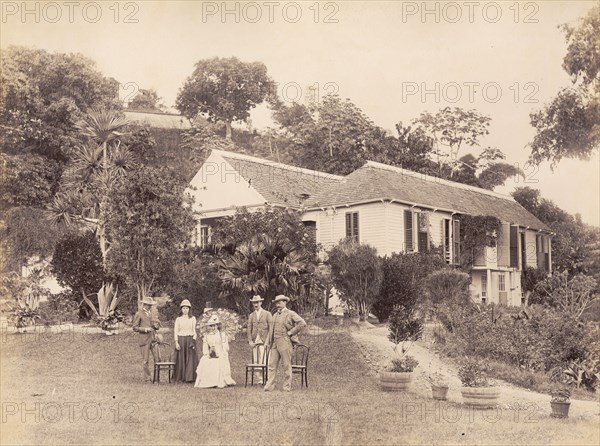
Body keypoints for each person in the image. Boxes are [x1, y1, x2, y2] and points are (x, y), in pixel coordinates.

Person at [264, 295, 306, 392]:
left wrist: (291, 332)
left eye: (279, 303)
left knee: (286, 365)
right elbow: (271, 330)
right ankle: (269, 386)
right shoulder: (274, 315)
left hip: (285, 343)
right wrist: (268, 342)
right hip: (274, 344)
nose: (277, 305)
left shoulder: (290, 313)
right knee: (271, 365)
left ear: (285, 303)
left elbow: (302, 323)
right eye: (276, 303)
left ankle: (286, 387)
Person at [194, 315, 236, 388]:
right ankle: (207, 381)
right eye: (210, 326)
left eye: (214, 326)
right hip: (211, 354)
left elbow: (226, 347)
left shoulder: (222, 335)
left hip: (221, 353)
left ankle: (218, 381)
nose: (212, 328)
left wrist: (221, 352)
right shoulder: (206, 336)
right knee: (205, 361)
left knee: (218, 362)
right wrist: (208, 353)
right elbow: (205, 348)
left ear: (217, 326)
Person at [132, 296, 160, 383]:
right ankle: (147, 379)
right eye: (149, 305)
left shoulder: (152, 314)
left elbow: (155, 326)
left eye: (151, 305)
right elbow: (134, 327)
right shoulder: (138, 314)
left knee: (158, 359)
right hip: (144, 340)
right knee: (145, 361)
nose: (150, 307)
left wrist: (156, 326)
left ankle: (156, 379)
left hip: (153, 339)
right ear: (144, 304)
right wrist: (145, 329)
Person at [247, 295, 273, 385]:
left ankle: (269, 379)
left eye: (257, 302)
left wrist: (267, 341)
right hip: (255, 341)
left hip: (264, 340)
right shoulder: (251, 315)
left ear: (261, 303)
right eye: (254, 303)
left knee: (266, 359)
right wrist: (250, 341)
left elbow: (271, 328)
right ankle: (260, 379)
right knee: (256, 360)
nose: (256, 304)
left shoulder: (267, 314)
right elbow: (249, 329)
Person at [173, 299, 198, 383]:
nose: (185, 310)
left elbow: (194, 331)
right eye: (183, 308)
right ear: (181, 309)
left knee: (190, 358)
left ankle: (190, 377)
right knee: (181, 358)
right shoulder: (178, 319)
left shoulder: (193, 318)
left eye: (187, 308)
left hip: (190, 339)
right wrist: (176, 342)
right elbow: (176, 331)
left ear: (189, 309)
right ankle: (181, 377)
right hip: (181, 339)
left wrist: (193, 340)